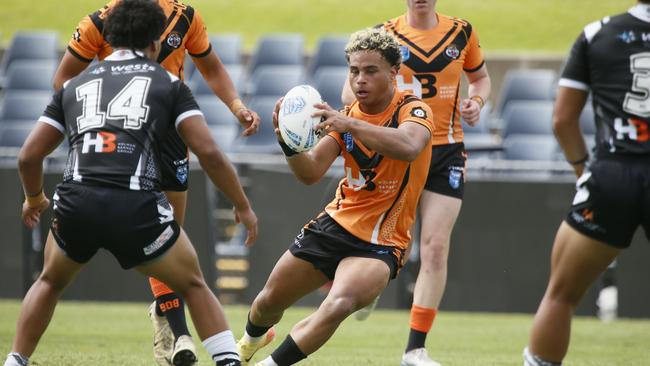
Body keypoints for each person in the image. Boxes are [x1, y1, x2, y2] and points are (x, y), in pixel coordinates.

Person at [2, 1, 257, 365]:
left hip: (77, 201)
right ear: (156, 43)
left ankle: (14, 361)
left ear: (107, 37)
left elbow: (28, 156)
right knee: (193, 282)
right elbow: (211, 154)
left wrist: (34, 198)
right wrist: (243, 206)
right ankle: (226, 360)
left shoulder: (75, 85)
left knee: (48, 282)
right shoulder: (168, 84)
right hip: (134, 204)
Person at [236, 28, 434, 366]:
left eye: (371, 70)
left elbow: (409, 147)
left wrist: (349, 124)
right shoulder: (347, 116)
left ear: (393, 73)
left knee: (338, 303)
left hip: (382, 241)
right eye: (354, 70)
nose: (360, 79)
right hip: (334, 224)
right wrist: (289, 144)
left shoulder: (413, 111)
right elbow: (310, 173)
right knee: (268, 302)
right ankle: (250, 341)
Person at [342, 1, 490, 365]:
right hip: (401, 150)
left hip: (446, 151)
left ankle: (415, 349)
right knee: (397, 243)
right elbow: (349, 95)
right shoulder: (383, 35)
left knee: (436, 247)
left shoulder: (461, 32)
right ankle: (373, 281)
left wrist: (477, 101)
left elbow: (481, 78)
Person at [524, 1, 650, 365]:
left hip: (612, 176)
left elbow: (563, 120)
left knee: (562, 294)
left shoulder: (598, 33)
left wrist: (584, 171)